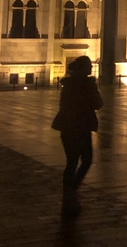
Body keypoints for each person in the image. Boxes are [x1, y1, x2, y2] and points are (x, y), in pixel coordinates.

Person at [51, 55, 103, 215]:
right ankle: (72, 190)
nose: (91, 68)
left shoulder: (67, 84)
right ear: (84, 68)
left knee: (71, 161)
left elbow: (64, 105)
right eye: (89, 66)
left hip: (67, 126)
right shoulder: (88, 84)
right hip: (81, 127)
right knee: (86, 160)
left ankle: (68, 194)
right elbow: (98, 104)